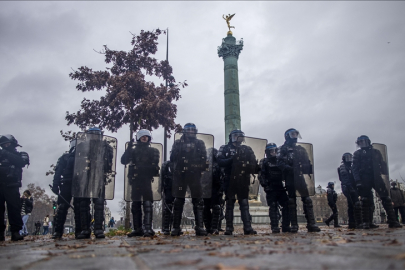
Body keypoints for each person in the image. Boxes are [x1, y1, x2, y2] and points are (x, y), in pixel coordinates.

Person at [74, 127, 115, 239]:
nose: (94, 136)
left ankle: (98, 229)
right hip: (85, 178)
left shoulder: (106, 147)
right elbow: (77, 163)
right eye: (92, 134)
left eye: (97, 134)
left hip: (98, 178)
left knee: (99, 204)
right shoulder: (82, 146)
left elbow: (109, 164)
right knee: (83, 204)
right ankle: (85, 229)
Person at [352, 135, 401, 229]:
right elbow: (355, 168)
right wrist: (357, 180)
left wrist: (384, 172)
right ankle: (366, 222)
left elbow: (382, 164)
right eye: (361, 142)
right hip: (364, 178)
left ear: (368, 141)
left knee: (386, 198)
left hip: (376, 177)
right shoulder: (357, 154)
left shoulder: (376, 152)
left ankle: (392, 220)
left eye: (364, 141)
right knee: (365, 200)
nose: (363, 144)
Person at [170, 123, 210, 236]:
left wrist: (200, 166)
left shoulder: (200, 143)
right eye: (189, 130)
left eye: (193, 130)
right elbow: (172, 158)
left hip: (195, 175)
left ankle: (199, 226)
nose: (191, 132)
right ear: (184, 131)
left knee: (198, 200)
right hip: (181, 174)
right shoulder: (178, 143)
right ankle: (176, 227)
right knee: (178, 200)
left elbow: (205, 159)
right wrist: (180, 150)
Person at [277, 128, 320, 233]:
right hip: (289, 177)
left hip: (299, 176)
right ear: (287, 136)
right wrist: (289, 168)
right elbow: (280, 162)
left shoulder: (301, 149)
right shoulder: (282, 149)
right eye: (293, 134)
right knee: (291, 201)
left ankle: (311, 223)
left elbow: (307, 162)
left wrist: (304, 166)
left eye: (296, 134)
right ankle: (294, 225)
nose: (295, 136)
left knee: (307, 200)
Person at [217, 130, 258, 235]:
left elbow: (254, 165)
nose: (238, 138)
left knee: (244, 203)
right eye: (235, 135)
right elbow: (220, 162)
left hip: (243, 179)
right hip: (229, 179)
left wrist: (251, 166)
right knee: (229, 204)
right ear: (231, 137)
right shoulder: (224, 148)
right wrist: (232, 159)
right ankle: (229, 228)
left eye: (240, 136)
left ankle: (247, 228)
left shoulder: (247, 149)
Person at [121, 129, 160, 237]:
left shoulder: (153, 151)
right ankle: (137, 229)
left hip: (146, 179)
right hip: (135, 180)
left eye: (146, 136)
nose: (144, 138)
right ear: (138, 138)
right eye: (142, 136)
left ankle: (147, 228)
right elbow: (123, 161)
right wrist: (128, 149)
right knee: (135, 204)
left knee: (148, 204)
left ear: (149, 138)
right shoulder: (133, 150)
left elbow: (155, 166)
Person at [0, 134, 30, 241]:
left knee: (14, 209)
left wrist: (6, 153)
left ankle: (15, 232)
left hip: (12, 186)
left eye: (8, 144)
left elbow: (21, 162)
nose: (6, 146)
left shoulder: (20, 154)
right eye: (4, 145)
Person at [51, 140, 82, 239]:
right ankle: (58, 231)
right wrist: (55, 184)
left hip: (78, 184)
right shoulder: (65, 157)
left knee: (79, 208)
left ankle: (79, 231)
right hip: (67, 183)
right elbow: (58, 171)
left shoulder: (82, 157)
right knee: (62, 208)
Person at [259, 143, 290, 233]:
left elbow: (285, 173)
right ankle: (274, 226)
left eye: (275, 150)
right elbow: (261, 175)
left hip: (280, 186)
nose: (274, 152)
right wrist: (265, 185)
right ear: (267, 152)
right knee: (273, 207)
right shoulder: (264, 162)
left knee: (287, 205)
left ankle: (286, 225)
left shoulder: (280, 161)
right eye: (271, 151)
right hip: (271, 187)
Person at [337, 152, 362, 229]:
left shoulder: (350, 167)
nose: (349, 159)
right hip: (348, 187)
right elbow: (345, 179)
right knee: (356, 204)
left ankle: (352, 222)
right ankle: (358, 222)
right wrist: (350, 188)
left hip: (352, 187)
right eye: (347, 157)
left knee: (351, 205)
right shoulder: (343, 167)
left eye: (350, 157)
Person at [203, 148, 223, 235]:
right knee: (206, 208)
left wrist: (221, 189)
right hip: (206, 189)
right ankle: (208, 228)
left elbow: (222, 177)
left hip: (215, 189)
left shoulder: (218, 165)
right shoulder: (205, 165)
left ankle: (214, 227)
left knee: (216, 208)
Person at [161, 160, 174, 235]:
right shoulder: (167, 164)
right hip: (168, 188)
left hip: (177, 187)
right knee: (168, 207)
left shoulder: (179, 162)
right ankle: (166, 227)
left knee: (177, 207)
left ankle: (175, 226)